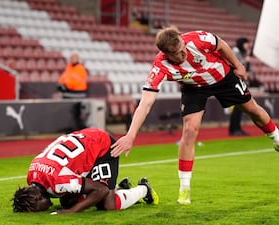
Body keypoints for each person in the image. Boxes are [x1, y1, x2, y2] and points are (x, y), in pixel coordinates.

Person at [111, 26, 279, 205]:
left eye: (183, 47)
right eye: (177, 53)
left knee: (253, 110)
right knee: (190, 131)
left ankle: (276, 137)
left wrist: (238, 66)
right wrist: (131, 135)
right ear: (166, 54)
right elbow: (145, 103)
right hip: (193, 87)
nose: (183, 53)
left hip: (223, 77)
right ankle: (184, 189)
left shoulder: (198, 39)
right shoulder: (160, 67)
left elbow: (221, 45)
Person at [12, 128, 158, 214]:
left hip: (102, 147)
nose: (40, 211)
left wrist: (72, 212)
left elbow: (100, 190)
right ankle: (120, 188)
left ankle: (144, 189)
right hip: (84, 143)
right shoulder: (32, 175)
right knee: (68, 200)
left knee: (107, 204)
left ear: (38, 198)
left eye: (36, 208)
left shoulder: (58, 182)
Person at [228, 37, 252, 136]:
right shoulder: (236, 52)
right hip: (235, 83)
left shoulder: (241, 52)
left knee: (239, 108)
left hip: (239, 83)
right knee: (238, 107)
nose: (248, 46)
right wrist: (246, 61)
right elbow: (236, 65)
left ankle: (235, 128)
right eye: (246, 43)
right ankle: (235, 129)